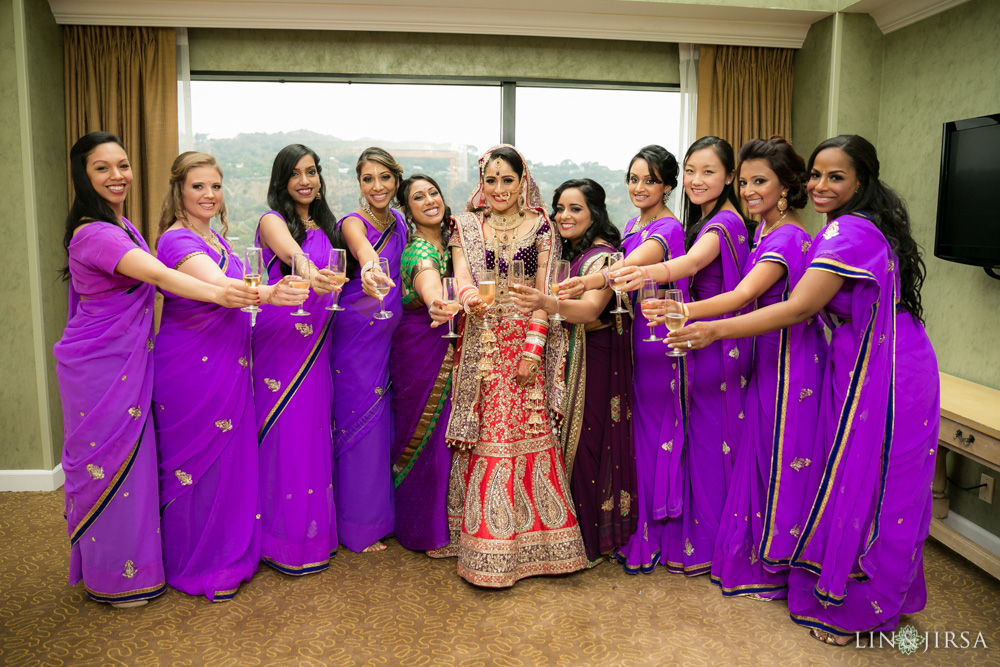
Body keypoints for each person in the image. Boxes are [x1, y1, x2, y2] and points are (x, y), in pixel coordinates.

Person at [667, 135, 939, 644]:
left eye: (835, 176)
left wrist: (712, 328)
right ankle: (865, 592)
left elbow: (798, 308)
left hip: (886, 365)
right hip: (870, 355)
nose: (819, 185)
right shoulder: (846, 228)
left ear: (862, 181)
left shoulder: (848, 232)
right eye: (816, 174)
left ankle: (860, 605)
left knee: (872, 483)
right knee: (863, 479)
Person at [54, 132, 256, 607]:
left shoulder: (122, 226)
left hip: (130, 358)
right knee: (109, 467)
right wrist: (232, 292)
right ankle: (114, 579)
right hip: (102, 369)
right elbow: (164, 277)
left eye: (122, 165)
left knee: (136, 466)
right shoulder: (96, 232)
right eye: (102, 168)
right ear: (84, 176)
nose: (117, 176)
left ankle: (136, 567)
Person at [646, 138, 826, 598]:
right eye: (745, 181)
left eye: (758, 181)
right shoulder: (764, 229)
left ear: (786, 186)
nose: (748, 190)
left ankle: (779, 562)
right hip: (761, 351)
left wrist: (685, 313)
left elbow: (743, 296)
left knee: (780, 458)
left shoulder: (785, 235)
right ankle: (758, 550)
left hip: (786, 357)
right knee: (758, 456)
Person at [152, 152, 306, 601]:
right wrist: (272, 293)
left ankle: (231, 552)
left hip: (232, 360)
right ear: (179, 190)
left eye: (215, 186)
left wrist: (269, 294)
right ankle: (197, 562)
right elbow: (222, 289)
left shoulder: (218, 239)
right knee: (195, 466)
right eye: (198, 186)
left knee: (230, 460)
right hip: (192, 367)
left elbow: (235, 287)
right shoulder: (176, 242)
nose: (208, 194)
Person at [435, 144, 587, 587]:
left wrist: (533, 350)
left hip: (524, 342)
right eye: (491, 180)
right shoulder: (465, 225)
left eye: (507, 179)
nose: (498, 188)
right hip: (482, 341)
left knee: (526, 431)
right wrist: (467, 299)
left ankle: (539, 547)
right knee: (486, 433)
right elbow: (461, 275)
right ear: (481, 183)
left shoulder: (541, 226)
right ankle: (487, 548)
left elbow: (546, 289)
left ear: (523, 182)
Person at [613, 136, 751, 575]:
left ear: (730, 177)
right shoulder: (703, 221)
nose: (697, 179)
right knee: (694, 442)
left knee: (708, 443)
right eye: (692, 170)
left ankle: (702, 542)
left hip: (705, 337)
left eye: (708, 171)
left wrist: (603, 279)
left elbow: (687, 267)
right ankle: (686, 538)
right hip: (689, 335)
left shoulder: (718, 225)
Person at [562, 145, 688, 574]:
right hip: (628, 337)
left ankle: (652, 535)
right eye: (633, 179)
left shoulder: (668, 229)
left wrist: (590, 280)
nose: (639, 187)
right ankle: (631, 529)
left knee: (654, 439)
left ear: (668, 186)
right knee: (633, 439)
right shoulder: (635, 222)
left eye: (649, 180)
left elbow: (629, 267)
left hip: (654, 339)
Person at [510, 178, 636, 564]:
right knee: (561, 439)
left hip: (594, 360)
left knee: (584, 443)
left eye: (575, 209)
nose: (565, 216)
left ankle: (585, 539)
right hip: (566, 357)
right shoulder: (566, 253)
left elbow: (591, 311)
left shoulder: (604, 257)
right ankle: (559, 535)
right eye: (560, 208)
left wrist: (546, 303)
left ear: (595, 213)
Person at [253, 144, 340, 575]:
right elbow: (293, 254)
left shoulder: (327, 226)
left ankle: (312, 536)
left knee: (312, 431)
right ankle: (280, 540)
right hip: (281, 339)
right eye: (295, 174)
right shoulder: (272, 221)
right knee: (284, 433)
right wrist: (310, 273)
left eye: (312, 172)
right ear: (281, 181)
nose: (305, 181)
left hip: (317, 343)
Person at [331, 147, 406, 553]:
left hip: (389, 339)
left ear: (396, 180)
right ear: (359, 183)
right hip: (357, 336)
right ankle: (357, 527)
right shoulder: (352, 222)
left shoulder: (398, 222)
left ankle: (381, 516)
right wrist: (370, 265)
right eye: (367, 179)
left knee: (384, 427)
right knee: (361, 424)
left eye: (384, 178)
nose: (377, 186)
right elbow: (363, 250)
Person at [389, 174, 457, 552]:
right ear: (408, 209)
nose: (429, 200)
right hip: (422, 348)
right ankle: (423, 529)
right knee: (426, 436)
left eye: (433, 192)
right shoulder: (418, 251)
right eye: (419, 197)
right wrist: (437, 303)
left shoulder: (451, 244)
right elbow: (430, 285)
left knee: (446, 434)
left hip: (443, 342)